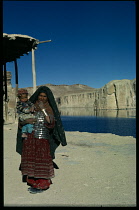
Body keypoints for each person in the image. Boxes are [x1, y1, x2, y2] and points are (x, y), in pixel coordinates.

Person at [16, 86, 67, 194]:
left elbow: (51, 123)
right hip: (29, 137)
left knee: (42, 159)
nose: (42, 98)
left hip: (42, 137)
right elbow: (21, 121)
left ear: (47, 98)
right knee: (30, 158)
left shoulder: (49, 108)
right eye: (40, 95)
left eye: (44, 96)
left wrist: (43, 109)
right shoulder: (29, 105)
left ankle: (43, 183)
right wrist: (26, 122)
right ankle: (32, 181)